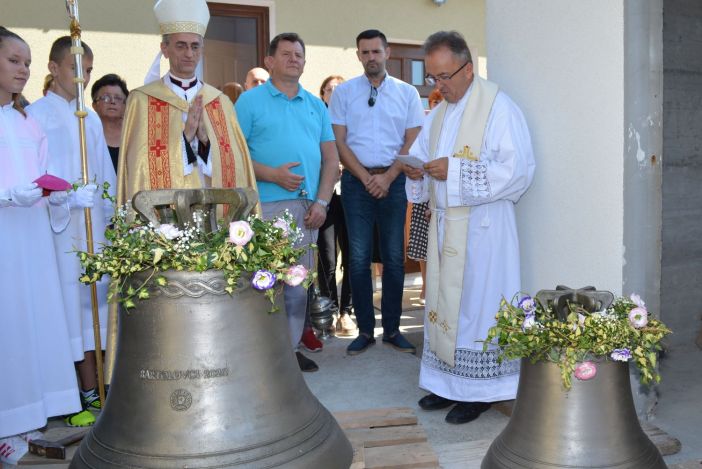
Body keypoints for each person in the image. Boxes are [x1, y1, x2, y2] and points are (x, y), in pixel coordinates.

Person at [405, 31, 535, 424]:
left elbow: (518, 172)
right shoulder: (440, 112)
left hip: (484, 228)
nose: (438, 86)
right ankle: (445, 384)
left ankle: (479, 393)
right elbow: (422, 154)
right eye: (432, 78)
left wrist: (454, 171)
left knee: (478, 310)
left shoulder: (499, 108)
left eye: (444, 76)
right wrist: (415, 169)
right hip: (446, 227)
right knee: (445, 307)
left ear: (467, 67)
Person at [236, 32, 339, 372]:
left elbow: (330, 159)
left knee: (296, 287)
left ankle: (289, 353)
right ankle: (262, 356)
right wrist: (270, 174)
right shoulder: (250, 103)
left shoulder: (315, 105)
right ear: (269, 61)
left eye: (299, 54)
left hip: (307, 208)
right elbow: (233, 157)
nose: (294, 58)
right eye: (286, 53)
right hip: (264, 207)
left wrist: (322, 202)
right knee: (264, 284)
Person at [0, 27, 81, 462]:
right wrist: (7, 195)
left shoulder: (25, 120)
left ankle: (25, 421)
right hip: (2, 243)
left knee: (31, 326)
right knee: (7, 325)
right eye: (14, 60)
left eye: (27, 62)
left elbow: (44, 177)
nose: (24, 69)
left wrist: (66, 195)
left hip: (30, 240)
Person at [27, 36, 116, 428]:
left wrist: (108, 208)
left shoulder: (90, 116)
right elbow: (33, 175)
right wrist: (62, 198)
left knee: (94, 304)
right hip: (59, 227)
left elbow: (104, 171)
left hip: (92, 223)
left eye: (89, 70)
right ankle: (73, 391)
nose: (83, 77)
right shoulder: (37, 115)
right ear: (54, 68)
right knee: (65, 307)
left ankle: (97, 386)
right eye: (76, 68)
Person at [329, 29, 424, 356]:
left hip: (394, 180)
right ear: (358, 55)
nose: (371, 57)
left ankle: (394, 329)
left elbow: (412, 138)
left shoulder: (407, 93)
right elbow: (339, 142)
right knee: (357, 259)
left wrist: (388, 177)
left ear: (387, 52)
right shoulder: (343, 93)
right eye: (365, 52)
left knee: (395, 258)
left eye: (376, 51)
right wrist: (366, 177)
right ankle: (366, 330)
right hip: (356, 184)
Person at [116, 0, 257, 208]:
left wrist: (204, 142)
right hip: (166, 219)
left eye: (195, 46)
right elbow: (140, 167)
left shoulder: (220, 102)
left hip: (212, 212)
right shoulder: (142, 100)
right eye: (181, 46)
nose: (189, 54)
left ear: (202, 49)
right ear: (164, 49)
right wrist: (185, 137)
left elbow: (233, 166)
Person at [316, 75, 355, 336]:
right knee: (327, 257)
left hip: (351, 195)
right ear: (323, 94)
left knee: (353, 255)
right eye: (330, 89)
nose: (335, 92)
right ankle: (328, 309)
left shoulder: (353, 121)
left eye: (339, 88)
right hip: (326, 196)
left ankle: (347, 312)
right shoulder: (318, 119)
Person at [407, 89, 444, 302]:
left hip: (441, 196)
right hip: (424, 194)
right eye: (434, 101)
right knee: (423, 246)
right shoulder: (426, 127)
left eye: (440, 101)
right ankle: (425, 285)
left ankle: (438, 288)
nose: (437, 104)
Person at [91, 73, 129, 172]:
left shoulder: (134, 136)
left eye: (118, 98)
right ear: (94, 105)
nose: (112, 102)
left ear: (126, 105)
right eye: (106, 97)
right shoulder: (88, 136)